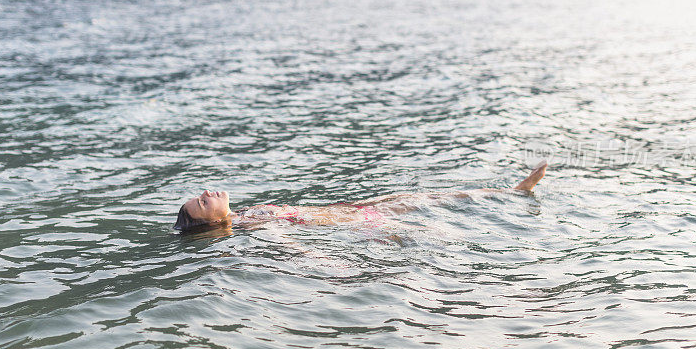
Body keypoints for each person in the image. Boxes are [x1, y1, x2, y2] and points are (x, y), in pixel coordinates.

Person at [173, 161, 548, 232]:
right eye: (203, 203)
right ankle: (511, 195)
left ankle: (508, 192)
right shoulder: (249, 225)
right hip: (352, 221)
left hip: (347, 211)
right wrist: (335, 268)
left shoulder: (243, 214)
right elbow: (290, 241)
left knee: (421, 194)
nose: (206, 193)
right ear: (215, 222)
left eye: (200, 194)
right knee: (425, 201)